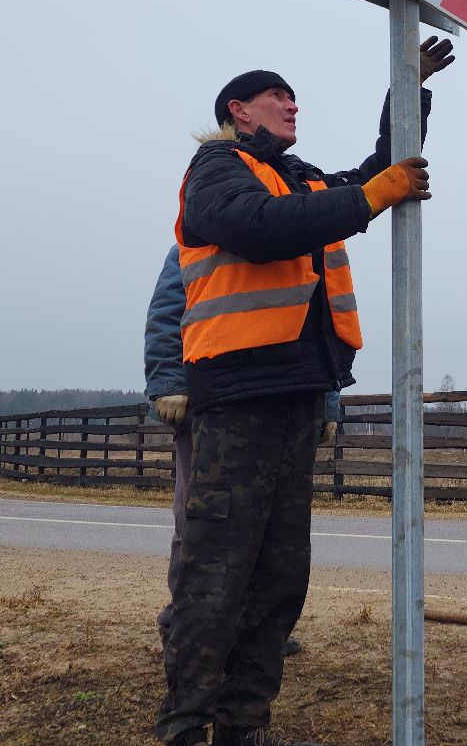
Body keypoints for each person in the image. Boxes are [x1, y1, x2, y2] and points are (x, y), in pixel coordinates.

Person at [155, 38, 452, 746]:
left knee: (278, 578)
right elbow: (257, 229)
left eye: (294, 96)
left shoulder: (298, 180)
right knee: (215, 573)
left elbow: (376, 173)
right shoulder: (217, 170)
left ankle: (244, 725)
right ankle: (185, 726)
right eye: (276, 96)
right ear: (239, 111)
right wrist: (371, 195)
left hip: (296, 395)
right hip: (237, 398)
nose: (292, 104)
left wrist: (408, 88)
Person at [145, 248, 331, 666]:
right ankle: (185, 627)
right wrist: (170, 382)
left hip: (276, 401)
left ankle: (255, 631)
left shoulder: (299, 241)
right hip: (209, 403)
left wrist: (328, 401)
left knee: (269, 527)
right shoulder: (199, 242)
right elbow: (168, 311)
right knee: (202, 521)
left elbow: (319, 327)